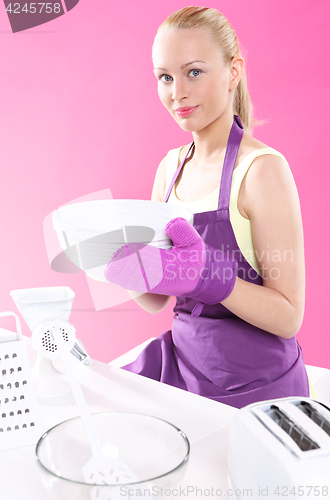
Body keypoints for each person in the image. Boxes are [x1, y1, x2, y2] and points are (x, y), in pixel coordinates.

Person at [104, 6, 309, 408]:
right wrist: (119, 263)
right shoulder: (170, 169)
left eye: (193, 72)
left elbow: (289, 316)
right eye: (165, 77)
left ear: (233, 72)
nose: (176, 91)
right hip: (184, 369)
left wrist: (210, 275)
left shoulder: (262, 171)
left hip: (256, 387)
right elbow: (155, 300)